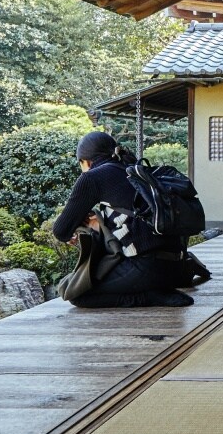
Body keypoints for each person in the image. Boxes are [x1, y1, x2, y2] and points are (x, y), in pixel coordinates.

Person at [52, 131, 198, 307]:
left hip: (146, 268)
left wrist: (80, 224)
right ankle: (156, 289)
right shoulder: (134, 170)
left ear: (86, 161)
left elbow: (60, 231)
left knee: (77, 294)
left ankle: (148, 297)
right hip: (177, 266)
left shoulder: (91, 177)